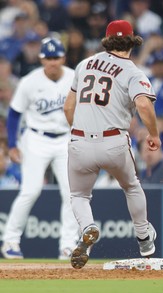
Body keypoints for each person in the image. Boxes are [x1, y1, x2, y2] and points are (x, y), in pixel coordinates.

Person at [63, 20, 161, 269]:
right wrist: (154, 134)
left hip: (80, 141)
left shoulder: (84, 64)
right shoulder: (133, 72)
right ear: (132, 42)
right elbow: (143, 105)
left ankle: (88, 227)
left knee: (78, 195)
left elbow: (68, 107)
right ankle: (143, 238)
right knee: (131, 186)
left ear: (107, 41)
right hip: (114, 141)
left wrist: (78, 130)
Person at [1, 37, 79, 260]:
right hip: (36, 138)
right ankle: (10, 241)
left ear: (63, 57)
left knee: (72, 193)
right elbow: (15, 114)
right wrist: (13, 145)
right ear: (41, 59)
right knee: (30, 190)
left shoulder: (75, 78)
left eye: (56, 57)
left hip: (65, 138)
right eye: (48, 58)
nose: (52, 62)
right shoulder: (29, 81)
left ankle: (68, 245)